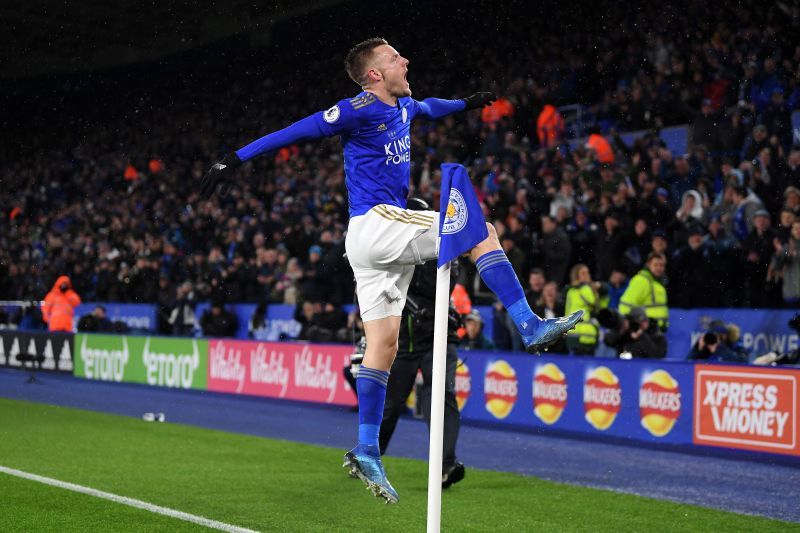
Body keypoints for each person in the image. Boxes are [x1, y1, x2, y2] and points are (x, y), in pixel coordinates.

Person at [200, 37, 583, 503]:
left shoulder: (405, 106)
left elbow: (432, 107)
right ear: (375, 74)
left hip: (370, 245)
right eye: (394, 57)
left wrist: (466, 103)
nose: (406, 59)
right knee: (480, 230)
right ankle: (529, 323)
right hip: (377, 223)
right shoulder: (358, 108)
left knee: (383, 344)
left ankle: (365, 449)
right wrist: (235, 158)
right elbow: (297, 131)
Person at [378, 206, 465, 488]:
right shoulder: (396, 249)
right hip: (407, 339)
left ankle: (446, 465)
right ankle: (371, 455)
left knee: (441, 396)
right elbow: (386, 288)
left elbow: (446, 283)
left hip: (440, 337)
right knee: (392, 403)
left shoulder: (441, 246)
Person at [619, 252, 668, 332]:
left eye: (661, 265)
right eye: (656, 265)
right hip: (645, 331)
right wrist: (634, 326)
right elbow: (625, 306)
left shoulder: (657, 282)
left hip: (656, 330)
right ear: (648, 265)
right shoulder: (642, 280)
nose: (659, 268)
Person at [564, 264, 599, 355]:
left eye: (587, 272)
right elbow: (567, 311)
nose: (587, 275)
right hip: (578, 334)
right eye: (583, 273)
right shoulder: (575, 291)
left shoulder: (578, 290)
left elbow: (592, 302)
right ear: (577, 275)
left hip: (583, 334)